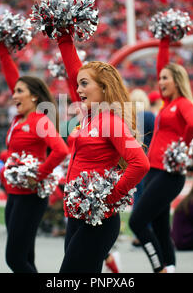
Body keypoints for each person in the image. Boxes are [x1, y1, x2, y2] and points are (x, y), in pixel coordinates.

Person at [55, 34, 150, 273]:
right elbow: (75, 70)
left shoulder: (109, 120)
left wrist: (110, 197)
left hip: (98, 219)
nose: (78, 90)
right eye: (78, 85)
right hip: (78, 215)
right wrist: (64, 36)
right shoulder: (90, 117)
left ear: (104, 88)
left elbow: (140, 163)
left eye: (84, 84)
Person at [128, 36, 193, 273]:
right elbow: (162, 66)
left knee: (137, 222)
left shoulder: (182, 103)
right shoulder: (166, 104)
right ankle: (169, 268)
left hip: (169, 174)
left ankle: (158, 267)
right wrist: (163, 44)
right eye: (159, 78)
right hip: (154, 170)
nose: (160, 81)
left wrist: (183, 145)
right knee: (160, 226)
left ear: (177, 81)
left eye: (165, 78)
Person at [0, 42, 69, 273]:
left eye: (20, 92)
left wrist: (39, 175)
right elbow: (11, 78)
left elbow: (61, 150)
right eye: (14, 91)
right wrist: (1, 48)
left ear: (35, 97)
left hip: (30, 197)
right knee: (26, 256)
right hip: (14, 196)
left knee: (14, 259)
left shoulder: (40, 120)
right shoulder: (19, 120)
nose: (14, 95)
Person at [129, 89, 155, 247]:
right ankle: (146, 232)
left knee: (137, 197)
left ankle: (137, 234)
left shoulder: (128, 118)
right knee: (147, 199)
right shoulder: (149, 116)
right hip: (147, 160)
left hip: (132, 161)